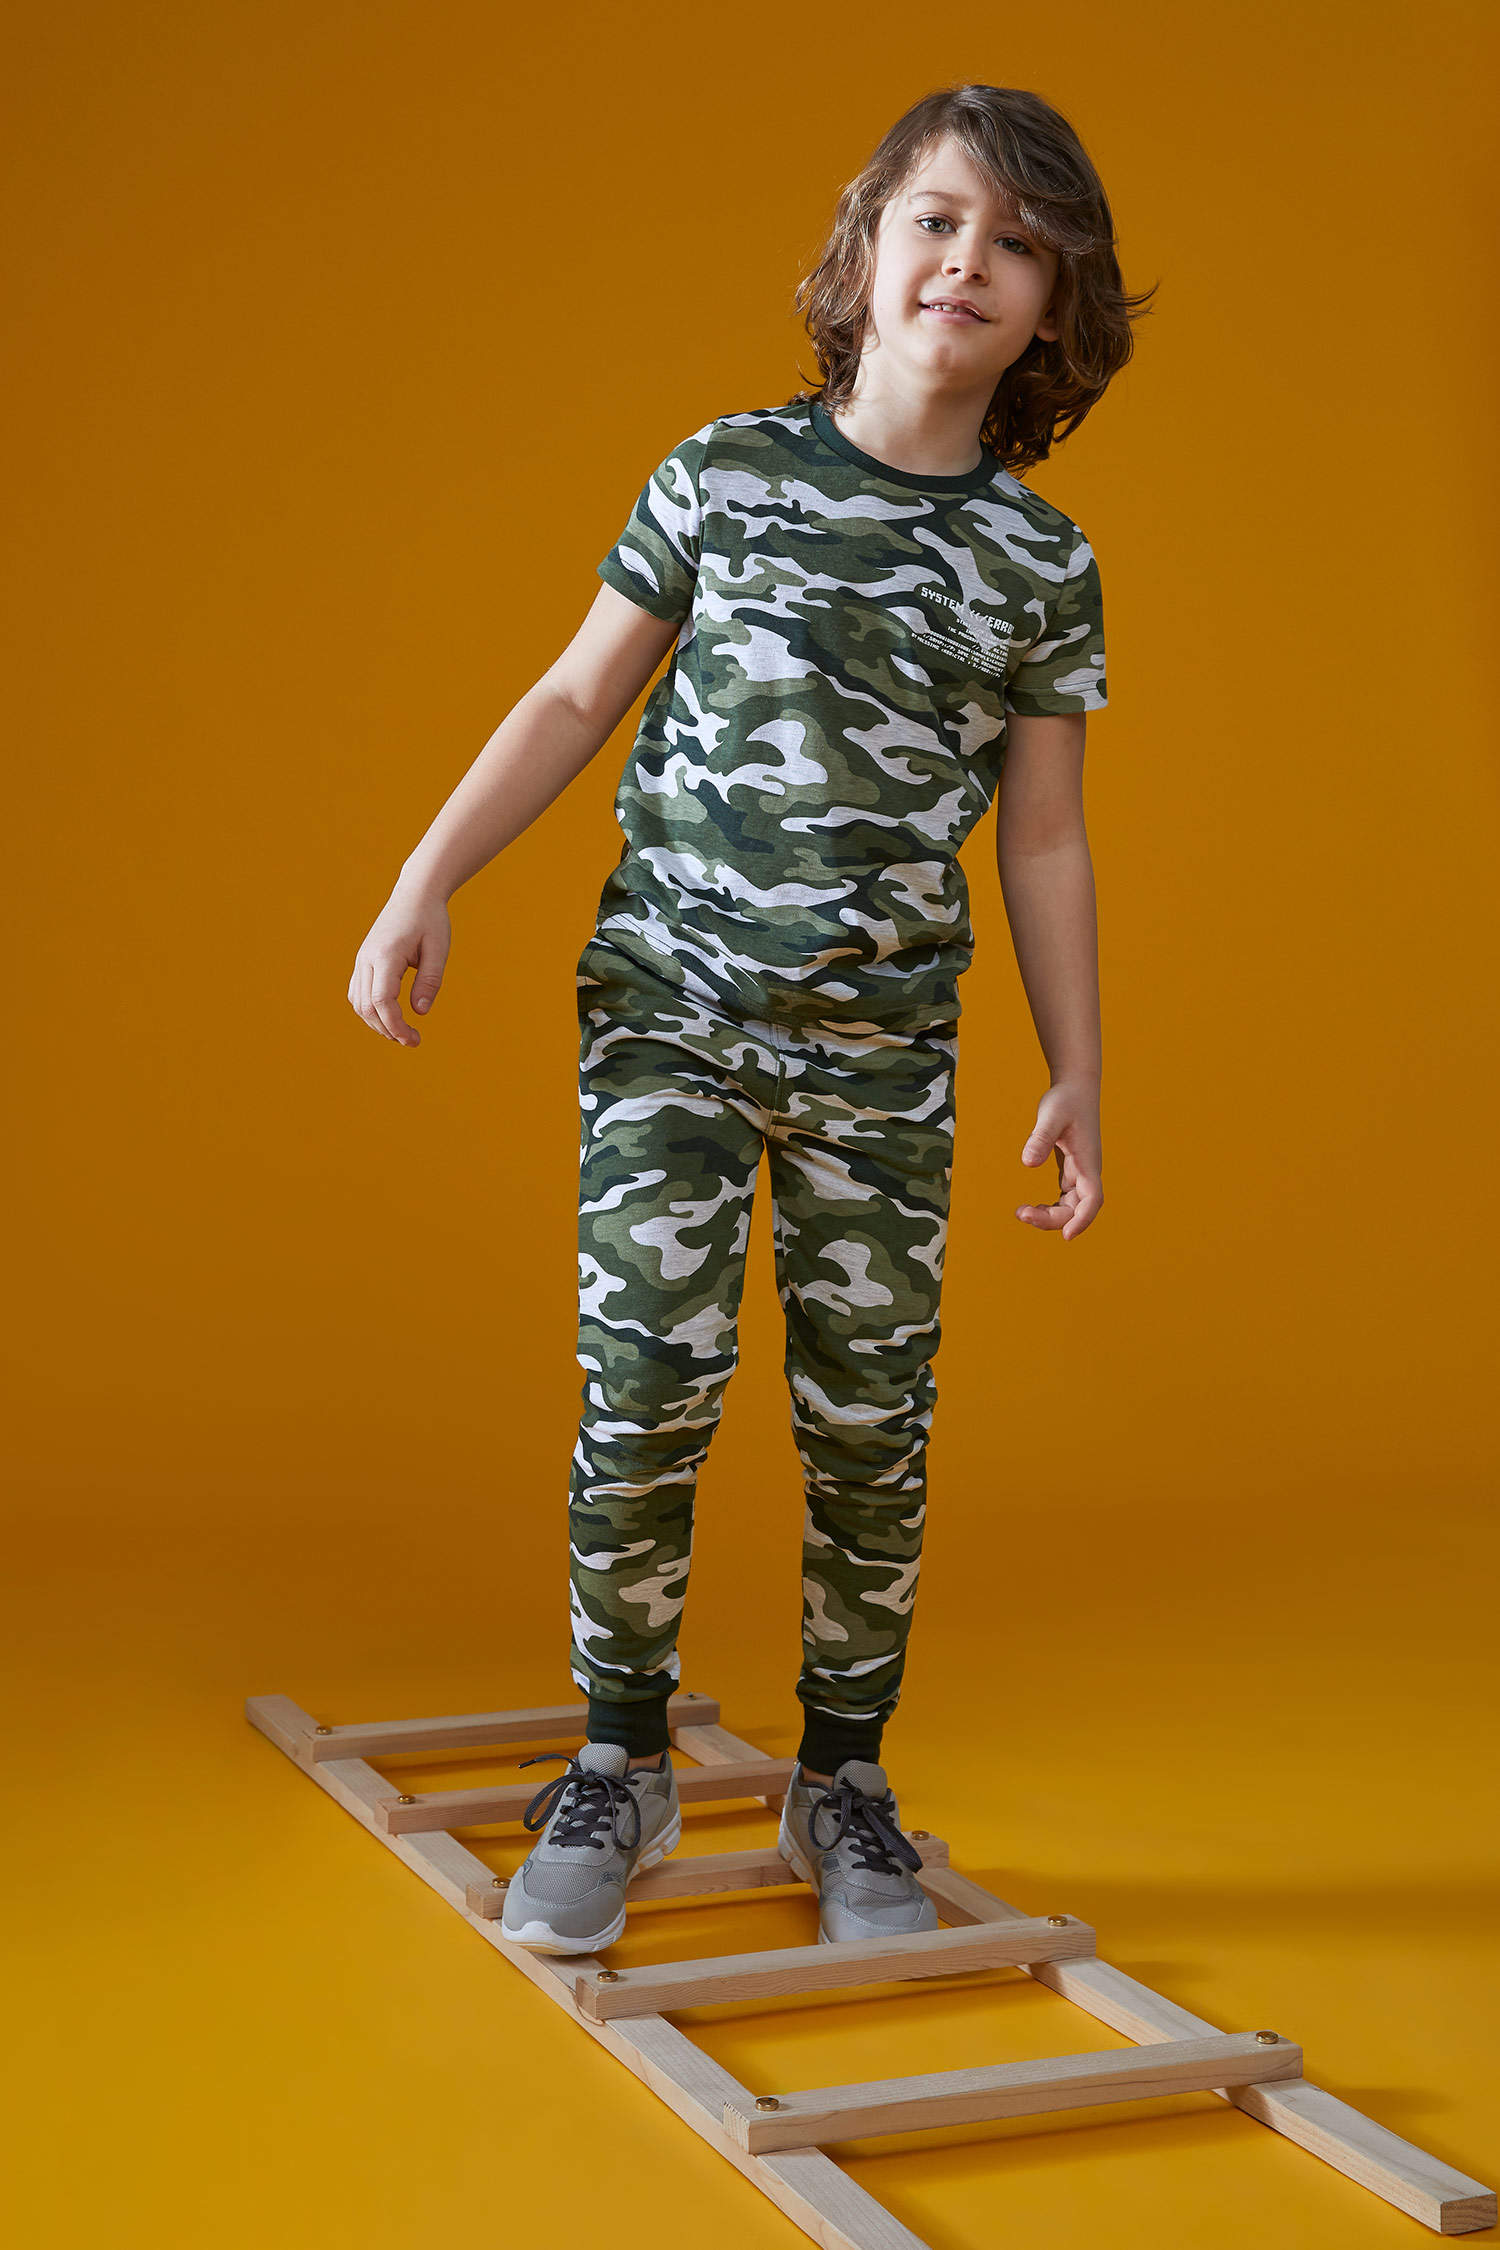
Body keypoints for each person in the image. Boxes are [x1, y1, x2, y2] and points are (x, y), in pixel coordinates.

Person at [348, 82, 1151, 1957]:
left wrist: (1081, 1068)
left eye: (1019, 243)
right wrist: (423, 878)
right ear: (866, 248)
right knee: (648, 1381)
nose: (968, 261)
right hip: (676, 1017)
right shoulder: (721, 476)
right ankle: (617, 1757)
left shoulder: (1040, 564)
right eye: (938, 219)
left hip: (884, 1055)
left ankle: (842, 1777)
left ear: (1055, 309)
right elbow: (573, 698)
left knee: (871, 1418)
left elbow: (1043, 834)